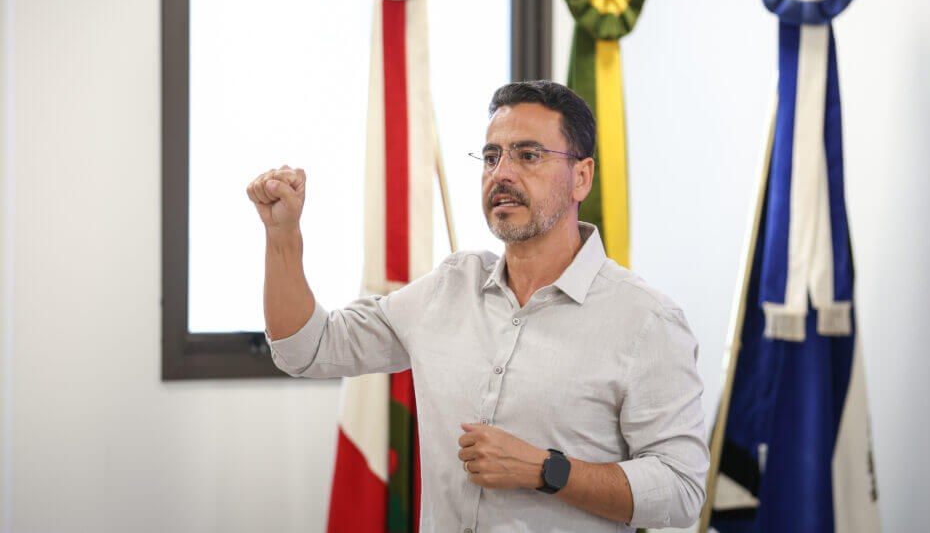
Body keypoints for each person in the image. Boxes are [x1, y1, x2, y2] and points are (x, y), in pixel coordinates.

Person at [246, 80, 709, 532]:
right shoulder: (448, 287)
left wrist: (546, 470)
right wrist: (282, 235)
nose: (501, 173)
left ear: (581, 177)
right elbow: (307, 349)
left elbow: (682, 490)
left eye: (528, 155)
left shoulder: (646, 320)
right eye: (491, 157)